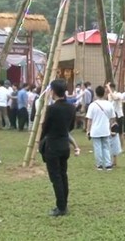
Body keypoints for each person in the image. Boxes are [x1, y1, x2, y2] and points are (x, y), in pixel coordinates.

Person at [40, 79, 76, 217]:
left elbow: (45, 127)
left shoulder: (52, 109)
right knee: (63, 175)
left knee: (55, 177)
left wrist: (42, 140)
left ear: (53, 91)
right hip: (64, 145)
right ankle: (64, 204)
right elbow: (71, 127)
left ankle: (61, 207)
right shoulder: (71, 107)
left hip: (53, 146)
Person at [86, 86, 115, 170]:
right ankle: (108, 164)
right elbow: (112, 117)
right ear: (104, 93)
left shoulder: (92, 105)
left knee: (97, 147)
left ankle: (99, 165)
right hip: (106, 129)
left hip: (95, 130)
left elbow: (89, 120)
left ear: (96, 93)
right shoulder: (109, 104)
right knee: (106, 146)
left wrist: (88, 130)